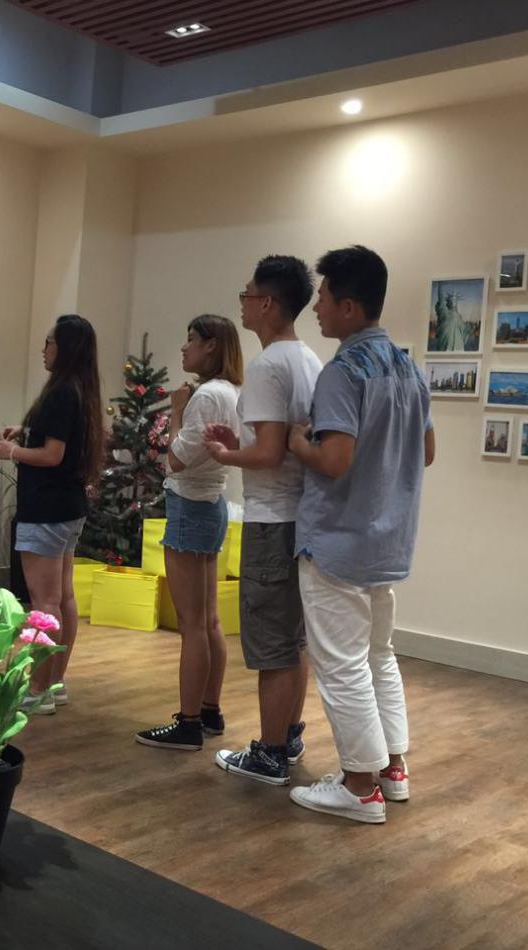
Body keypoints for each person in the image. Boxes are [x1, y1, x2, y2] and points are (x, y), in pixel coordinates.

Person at [285, 245, 435, 824]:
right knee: (378, 657)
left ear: (348, 306)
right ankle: (393, 770)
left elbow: (334, 460)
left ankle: (359, 787)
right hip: (389, 542)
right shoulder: (409, 368)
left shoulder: (343, 372)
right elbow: (426, 451)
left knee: (342, 664)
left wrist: (299, 442)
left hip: (339, 541)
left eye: (323, 297)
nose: (316, 307)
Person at [207, 255, 322, 784]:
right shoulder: (309, 360)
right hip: (301, 516)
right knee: (292, 640)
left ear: (268, 303)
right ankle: (288, 736)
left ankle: (270, 751)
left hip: (273, 518)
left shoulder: (268, 365)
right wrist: (241, 444)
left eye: (247, 295)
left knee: (272, 645)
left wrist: (227, 455)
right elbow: (279, 442)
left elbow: (271, 453)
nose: (243, 304)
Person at [135, 315, 242, 751]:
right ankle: (210, 709)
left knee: (192, 624)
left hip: (191, 505)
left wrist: (177, 410)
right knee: (209, 620)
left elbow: (176, 460)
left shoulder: (206, 396)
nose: (184, 348)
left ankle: (189, 722)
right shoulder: (231, 392)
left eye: (191, 339)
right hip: (212, 504)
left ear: (211, 346)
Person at [0, 314, 102, 713]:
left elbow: (53, 455)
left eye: (49, 342)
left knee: (44, 602)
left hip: (46, 509)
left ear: (65, 348)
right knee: (63, 597)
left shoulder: (61, 392)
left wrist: (14, 451)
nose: (44, 350)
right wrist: (26, 433)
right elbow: (60, 443)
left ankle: (38, 689)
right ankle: (55, 681)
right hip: (68, 508)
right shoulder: (80, 390)